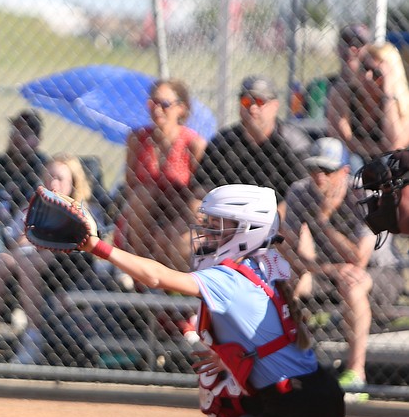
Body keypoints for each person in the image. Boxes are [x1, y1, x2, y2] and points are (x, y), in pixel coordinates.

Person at [75, 183, 344, 417]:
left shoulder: (229, 278)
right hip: (319, 393)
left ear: (249, 231)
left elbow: (157, 277)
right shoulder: (269, 262)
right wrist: (233, 358)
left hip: (296, 406)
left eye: (221, 225)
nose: (207, 233)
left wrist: (96, 246)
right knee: (218, 385)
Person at [284, 137, 401, 400]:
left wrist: (323, 220)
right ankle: (286, 367)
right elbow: (289, 250)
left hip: (380, 273)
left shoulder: (366, 194)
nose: (319, 177)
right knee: (287, 276)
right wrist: (324, 269)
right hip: (331, 272)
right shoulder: (300, 192)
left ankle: (355, 374)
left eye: (327, 171)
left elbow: (359, 259)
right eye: (314, 169)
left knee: (353, 281)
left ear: (345, 172)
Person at [0, 154, 107, 363]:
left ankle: (34, 339)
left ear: (73, 183)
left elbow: (73, 246)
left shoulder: (83, 210)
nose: (53, 183)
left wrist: (37, 241)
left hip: (68, 271)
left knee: (27, 262)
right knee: (0, 262)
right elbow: (18, 241)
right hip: (31, 264)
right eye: (49, 176)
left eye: (60, 178)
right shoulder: (34, 205)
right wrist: (35, 241)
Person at [122, 78, 206, 271]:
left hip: (182, 210)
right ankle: (139, 270)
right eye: (153, 103)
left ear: (181, 109)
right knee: (143, 195)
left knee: (167, 241)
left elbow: (200, 191)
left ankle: (173, 288)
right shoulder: (138, 139)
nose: (157, 109)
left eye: (165, 104)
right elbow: (130, 185)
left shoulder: (193, 144)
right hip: (147, 214)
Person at [193, 75, 309, 207]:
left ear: (275, 105)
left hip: (276, 219)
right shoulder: (223, 142)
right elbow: (202, 188)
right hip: (229, 217)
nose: (253, 108)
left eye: (260, 101)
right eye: (246, 102)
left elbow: (302, 194)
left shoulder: (293, 143)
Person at [328, 41, 409, 163]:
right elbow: (340, 139)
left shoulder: (404, 102)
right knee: (351, 160)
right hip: (351, 159)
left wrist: (388, 96)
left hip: (387, 164)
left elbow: (394, 146)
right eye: (365, 68)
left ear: (392, 75)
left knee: (386, 161)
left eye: (377, 73)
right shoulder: (343, 93)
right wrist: (380, 148)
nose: (368, 76)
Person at [0, 111, 48, 258]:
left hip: (27, 232)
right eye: (15, 131)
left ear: (38, 139)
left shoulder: (43, 168)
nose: (18, 137)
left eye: (25, 133)